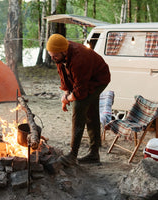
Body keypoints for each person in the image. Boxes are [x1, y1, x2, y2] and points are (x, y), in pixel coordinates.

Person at [46, 34, 111, 166]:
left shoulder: (79, 59)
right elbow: (63, 75)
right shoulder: (60, 53)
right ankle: (94, 154)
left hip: (98, 79)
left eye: (55, 56)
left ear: (64, 51)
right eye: (50, 55)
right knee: (91, 114)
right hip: (86, 79)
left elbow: (80, 92)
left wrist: (67, 99)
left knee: (79, 108)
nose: (52, 59)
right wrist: (66, 93)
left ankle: (72, 154)